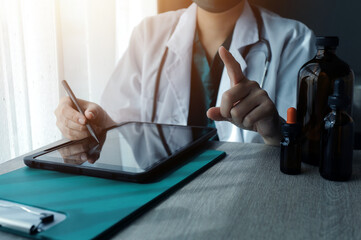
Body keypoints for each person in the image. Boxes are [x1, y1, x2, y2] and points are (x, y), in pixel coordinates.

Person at [55, 0, 316, 146]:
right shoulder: (149, 34)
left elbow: (306, 147)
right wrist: (97, 124)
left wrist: (274, 132)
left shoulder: (294, 39)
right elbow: (122, 133)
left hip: (252, 195)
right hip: (162, 198)